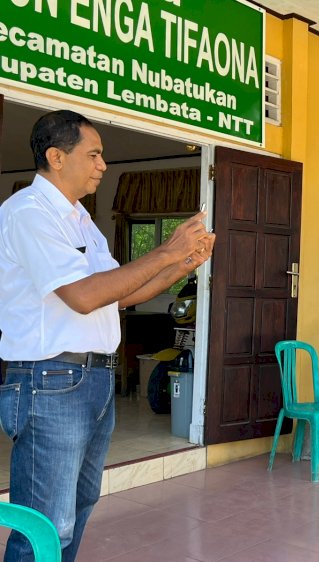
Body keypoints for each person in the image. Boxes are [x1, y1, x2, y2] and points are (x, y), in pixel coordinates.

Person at [0, 110, 215, 561]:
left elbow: (118, 294)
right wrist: (164, 250)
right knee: (45, 523)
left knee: (77, 509)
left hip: (92, 380)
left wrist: (182, 264)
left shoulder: (81, 221)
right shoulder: (28, 213)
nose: (102, 165)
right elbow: (81, 296)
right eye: (94, 154)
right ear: (57, 157)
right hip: (51, 379)